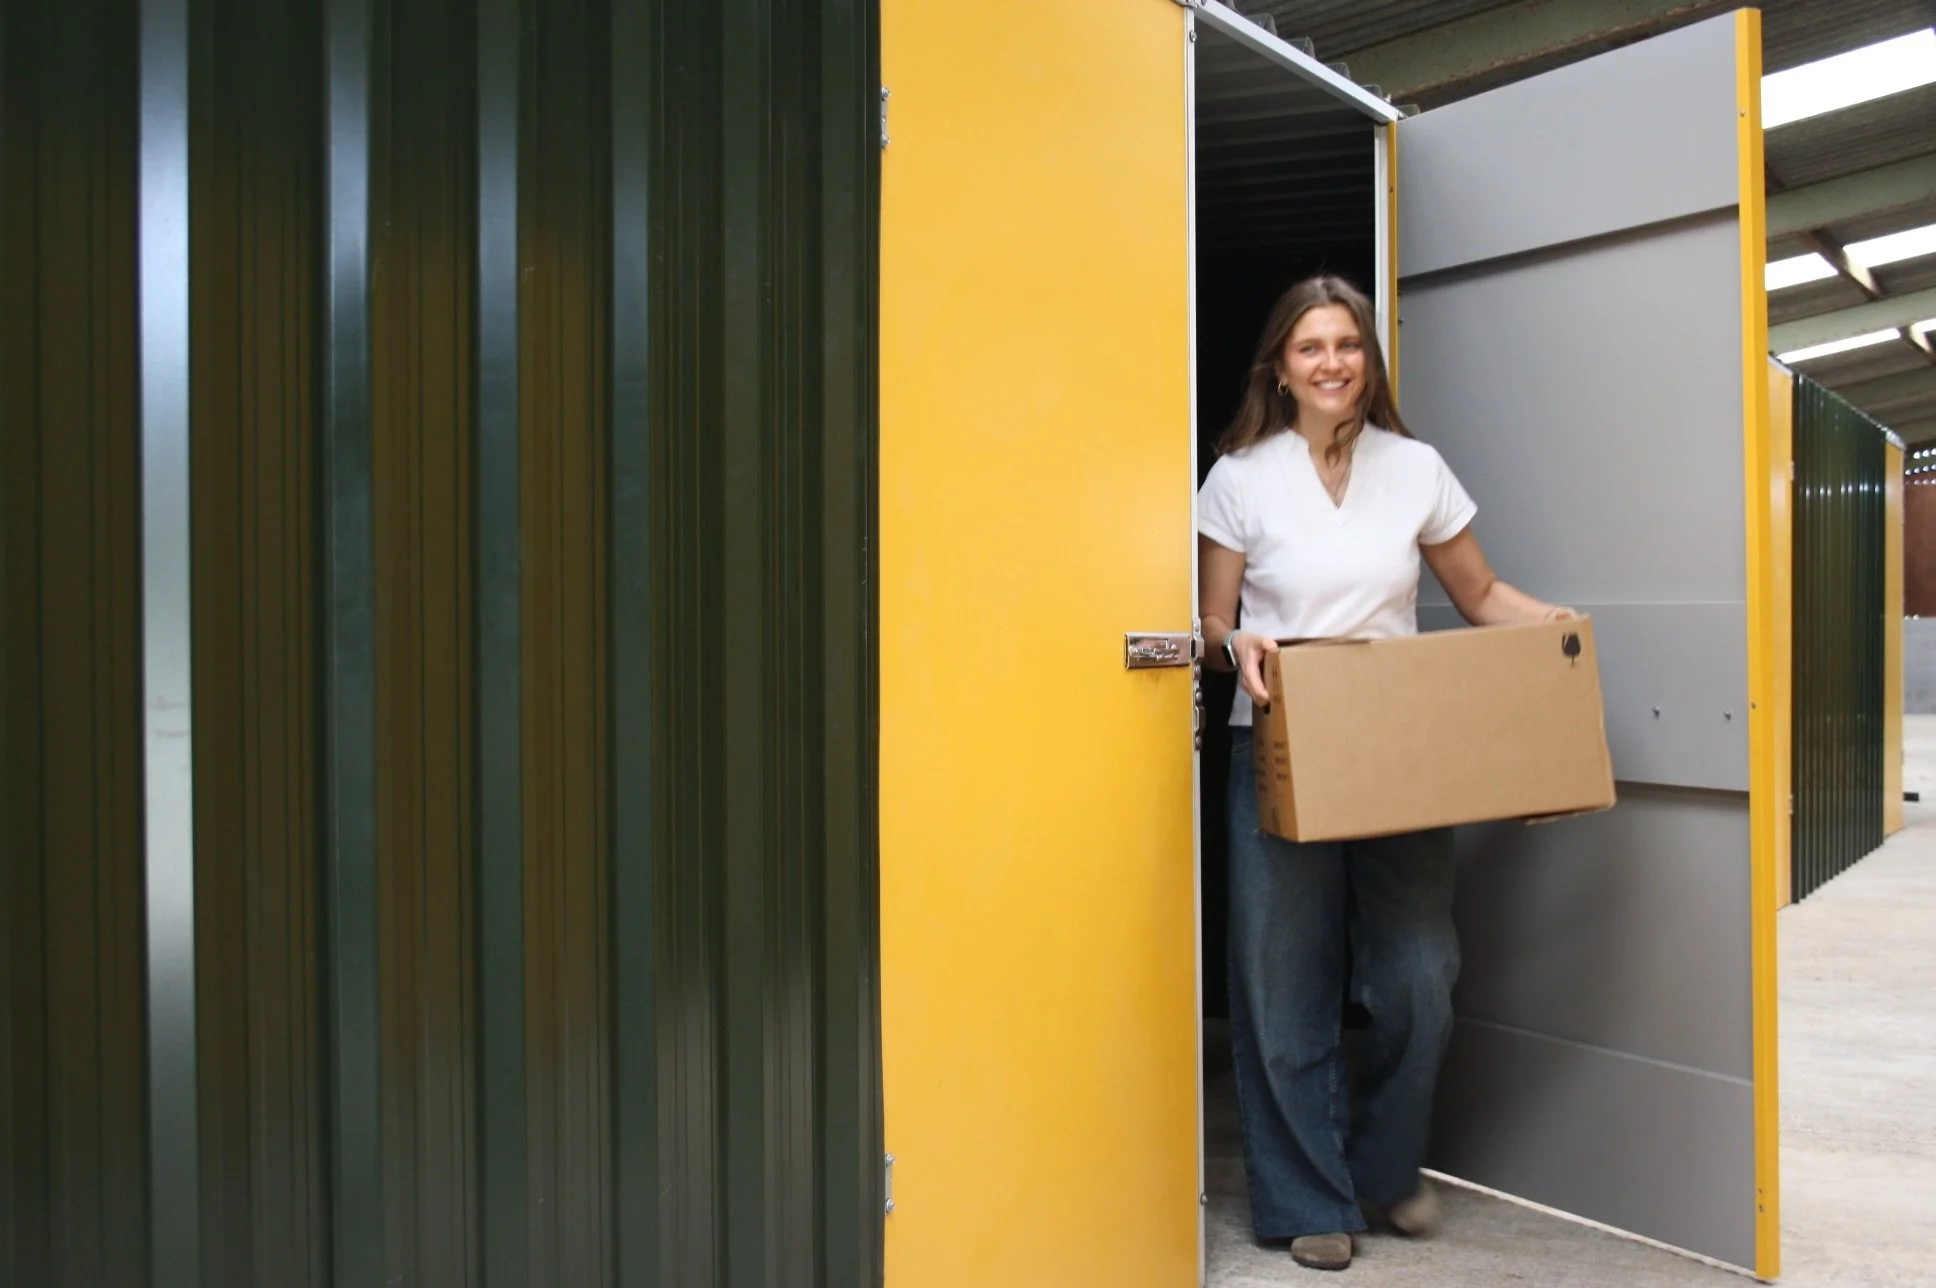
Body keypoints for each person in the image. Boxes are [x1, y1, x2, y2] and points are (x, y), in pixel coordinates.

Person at [1198, 275, 1573, 1273]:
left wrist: (1558, 634)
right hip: (1278, 739)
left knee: (1420, 979)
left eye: (1347, 345)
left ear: (1368, 360)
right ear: (1279, 366)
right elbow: (1212, 618)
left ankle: (1383, 1161)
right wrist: (1234, 646)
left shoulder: (1415, 468)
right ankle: (1306, 1199)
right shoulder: (1238, 475)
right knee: (1285, 984)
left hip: (1398, 747)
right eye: (1310, 346)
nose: (1331, 363)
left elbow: (1481, 592)